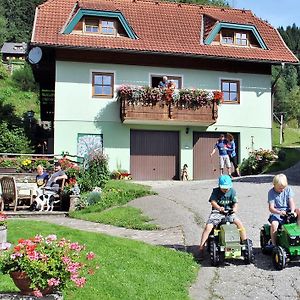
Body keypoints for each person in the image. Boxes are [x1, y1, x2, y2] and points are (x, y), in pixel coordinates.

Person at [198, 175, 247, 260]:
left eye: (227, 188)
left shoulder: (232, 192)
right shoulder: (216, 191)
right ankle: (201, 247)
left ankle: (244, 243)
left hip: (229, 212)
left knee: (239, 223)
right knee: (209, 226)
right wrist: (219, 208)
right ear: (219, 186)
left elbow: (235, 203)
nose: (225, 190)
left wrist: (234, 209)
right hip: (217, 212)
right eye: (223, 188)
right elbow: (213, 202)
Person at [267, 174, 300, 247]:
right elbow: (271, 208)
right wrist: (279, 212)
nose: (282, 190)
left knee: (299, 210)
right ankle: (273, 244)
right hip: (277, 213)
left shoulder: (288, 189)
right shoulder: (271, 193)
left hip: (288, 211)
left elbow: (291, 202)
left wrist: (292, 211)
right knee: (274, 224)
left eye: (283, 188)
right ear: (274, 185)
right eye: (280, 188)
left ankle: (298, 229)